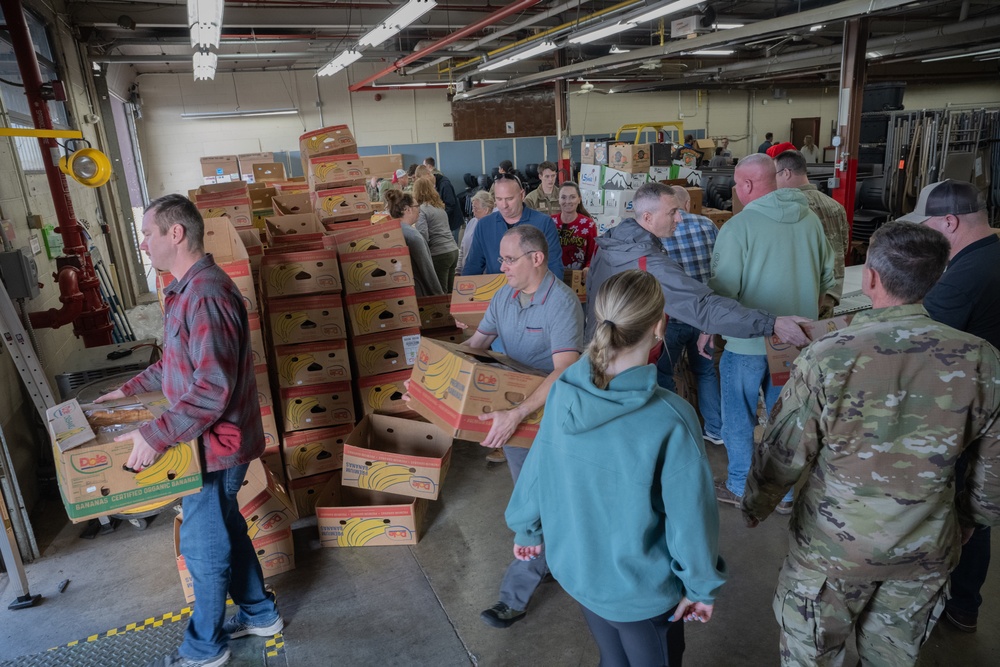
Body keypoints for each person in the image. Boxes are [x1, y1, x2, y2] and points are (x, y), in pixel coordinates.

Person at [742, 221, 1000, 667]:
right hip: (923, 548)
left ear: (872, 278)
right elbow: (993, 464)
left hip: (832, 550)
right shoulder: (980, 357)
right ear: (937, 277)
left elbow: (783, 453)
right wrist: (972, 517)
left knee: (812, 656)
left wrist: (755, 506)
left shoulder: (828, 355)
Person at [96, 194, 282, 667]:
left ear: (174, 234)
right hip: (203, 440)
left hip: (217, 445)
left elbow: (212, 388)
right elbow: (174, 366)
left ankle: (205, 647)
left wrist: (154, 435)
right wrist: (125, 393)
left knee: (203, 544)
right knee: (226, 527)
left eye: (147, 233)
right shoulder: (185, 290)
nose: (141, 243)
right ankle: (261, 614)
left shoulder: (208, 294)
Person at [505, 269, 726, 664]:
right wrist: (699, 586)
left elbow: (539, 464)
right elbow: (690, 518)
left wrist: (527, 526)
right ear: (660, 325)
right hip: (640, 593)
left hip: (579, 571)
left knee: (612, 658)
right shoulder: (671, 418)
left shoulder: (564, 390)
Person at [432, 225, 583, 630]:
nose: (501, 267)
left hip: (550, 420)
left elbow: (565, 371)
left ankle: (514, 595)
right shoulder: (505, 294)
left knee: (532, 505)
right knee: (530, 499)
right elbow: (477, 345)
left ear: (536, 258)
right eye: (500, 259)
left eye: (509, 259)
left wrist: (517, 414)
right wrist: (432, 381)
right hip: (513, 419)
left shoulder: (561, 304)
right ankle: (550, 560)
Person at [708, 153, 836, 514]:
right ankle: (786, 494)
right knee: (787, 421)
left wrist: (709, 330)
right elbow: (829, 281)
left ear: (747, 185)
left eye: (736, 183)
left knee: (738, 417)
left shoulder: (738, 227)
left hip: (746, 345)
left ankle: (737, 484)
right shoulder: (811, 221)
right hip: (794, 344)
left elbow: (722, 293)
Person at [901, 179, 1000, 634]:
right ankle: (965, 604)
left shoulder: (966, 273)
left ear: (950, 222)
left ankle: (953, 598)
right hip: (989, 400)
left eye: (929, 227)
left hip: (970, 409)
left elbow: (920, 336)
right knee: (978, 504)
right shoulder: (990, 256)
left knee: (962, 503)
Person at [584, 181, 811, 350]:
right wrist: (771, 323)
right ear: (647, 217)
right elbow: (703, 307)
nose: (679, 219)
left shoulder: (610, 242)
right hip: (625, 360)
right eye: (673, 212)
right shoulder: (647, 263)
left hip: (599, 351)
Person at [658, 187, 723, 445]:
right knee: (706, 371)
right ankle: (716, 429)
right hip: (705, 316)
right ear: (687, 203)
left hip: (672, 316)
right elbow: (720, 264)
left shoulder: (658, 231)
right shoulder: (707, 225)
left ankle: (678, 429)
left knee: (664, 372)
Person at [774, 149, 849, 317]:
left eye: (775, 175)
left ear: (786, 173)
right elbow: (844, 248)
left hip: (802, 293)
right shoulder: (835, 205)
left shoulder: (789, 207)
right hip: (831, 291)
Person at [461, 173, 562, 276]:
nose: (504, 205)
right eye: (499, 199)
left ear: (522, 195)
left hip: (535, 291)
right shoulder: (484, 225)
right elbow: (472, 267)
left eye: (509, 199)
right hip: (497, 290)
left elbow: (554, 266)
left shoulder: (544, 223)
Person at [384, 189, 444, 296]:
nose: (419, 210)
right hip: (417, 292)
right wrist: (439, 294)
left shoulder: (390, 231)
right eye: (417, 206)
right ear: (407, 210)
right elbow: (426, 269)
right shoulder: (413, 236)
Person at [412, 176, 460, 293]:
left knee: (440, 293)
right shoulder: (439, 208)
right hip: (453, 250)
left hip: (439, 253)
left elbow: (423, 234)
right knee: (451, 292)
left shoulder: (422, 209)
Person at [552, 181, 597, 272]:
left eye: (572, 197)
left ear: (579, 199)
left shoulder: (589, 224)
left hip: (578, 278)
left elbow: (593, 253)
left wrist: (588, 267)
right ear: (559, 199)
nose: (568, 201)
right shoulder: (549, 222)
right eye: (563, 197)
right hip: (553, 275)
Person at [458, 190, 494, 274]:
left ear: (486, 210)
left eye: (475, 208)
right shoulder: (471, 223)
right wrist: (458, 270)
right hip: (466, 272)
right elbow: (462, 248)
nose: (473, 211)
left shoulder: (492, 227)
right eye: (472, 207)